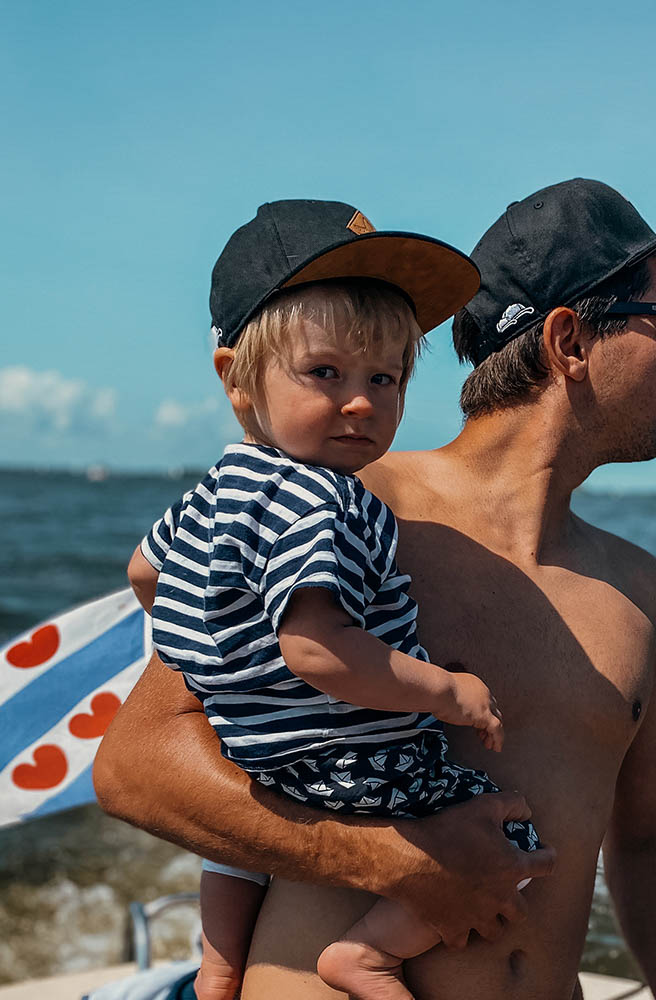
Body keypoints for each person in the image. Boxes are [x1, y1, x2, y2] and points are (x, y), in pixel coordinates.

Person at [96, 178, 656, 1000]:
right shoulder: (342, 507)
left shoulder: (644, 594)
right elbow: (138, 767)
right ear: (571, 341)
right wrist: (394, 861)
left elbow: (645, 846)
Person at [124, 199, 539, 1000]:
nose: (361, 402)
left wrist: (226, 653)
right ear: (236, 379)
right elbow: (317, 650)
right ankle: (369, 954)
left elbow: (146, 573)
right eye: (326, 373)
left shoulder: (220, 486)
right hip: (347, 762)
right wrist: (446, 690)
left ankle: (217, 967)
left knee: (231, 842)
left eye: (384, 378)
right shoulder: (322, 501)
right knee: (507, 826)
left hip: (250, 753)